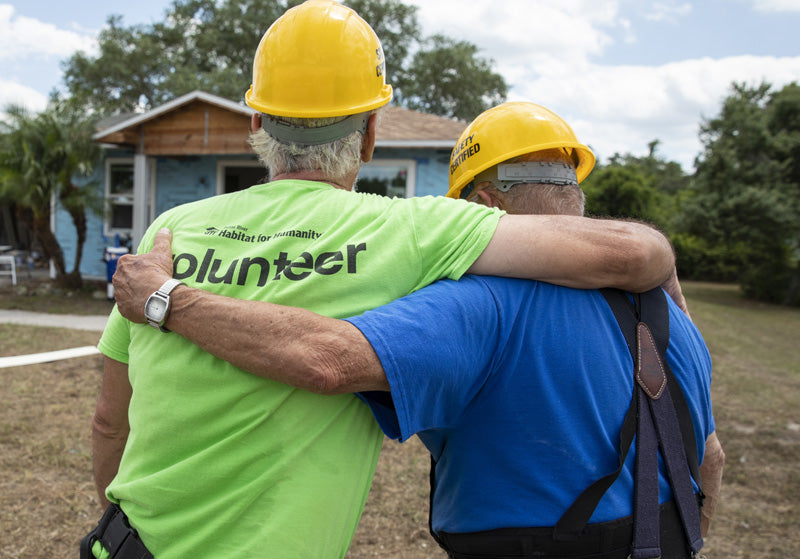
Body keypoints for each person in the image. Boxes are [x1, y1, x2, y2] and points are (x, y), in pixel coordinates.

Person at [85, 2, 679, 557]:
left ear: (258, 122)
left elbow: (111, 419)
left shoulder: (171, 229)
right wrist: (670, 308)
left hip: (122, 544)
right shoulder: (412, 231)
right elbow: (633, 253)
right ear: (370, 134)